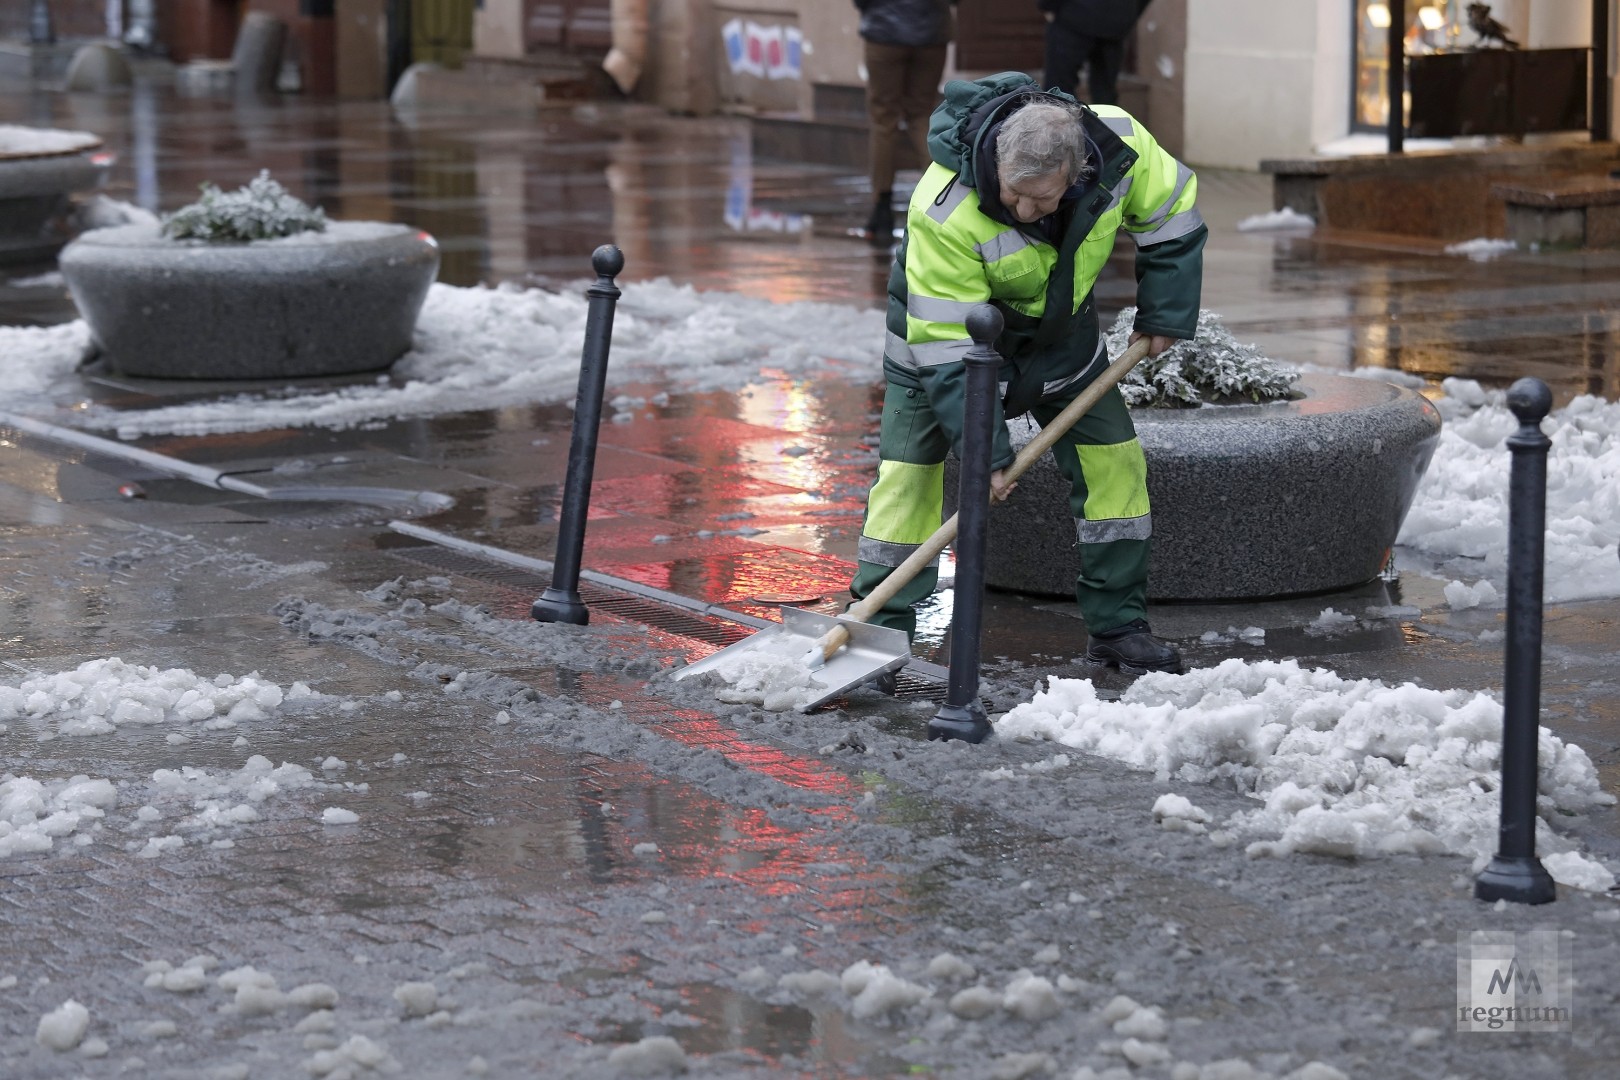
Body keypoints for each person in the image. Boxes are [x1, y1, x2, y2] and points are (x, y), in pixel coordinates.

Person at [848, 71, 1205, 674]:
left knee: (1114, 463)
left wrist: (1167, 311)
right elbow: (949, 348)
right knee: (907, 482)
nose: (1022, 207)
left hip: (1062, 343)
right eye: (1013, 193)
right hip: (937, 354)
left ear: (1078, 172)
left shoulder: (1119, 146)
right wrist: (984, 454)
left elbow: (1170, 215)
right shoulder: (944, 210)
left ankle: (1119, 626)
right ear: (995, 159)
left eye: (1042, 198)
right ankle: (878, 634)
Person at [854, 0, 954, 245]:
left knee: (883, 120)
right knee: (921, 116)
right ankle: (944, 200)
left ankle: (882, 209)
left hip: (884, 32)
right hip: (931, 32)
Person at [1038, 0, 1148, 106]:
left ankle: (1059, 124)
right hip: (1115, 23)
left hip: (1073, 17)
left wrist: (1047, 6)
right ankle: (1105, 123)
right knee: (1105, 92)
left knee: (1059, 89)